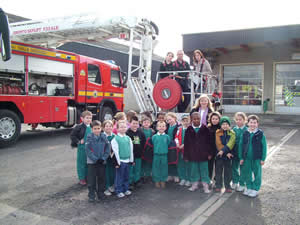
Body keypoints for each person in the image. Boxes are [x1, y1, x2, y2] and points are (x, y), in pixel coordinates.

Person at [239, 115, 267, 198]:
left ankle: (255, 189)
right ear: (248, 123)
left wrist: (263, 158)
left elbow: (264, 147)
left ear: (257, 124)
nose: (253, 124)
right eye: (251, 122)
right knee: (247, 173)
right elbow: (241, 145)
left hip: (257, 158)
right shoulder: (245, 133)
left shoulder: (260, 134)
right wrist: (241, 157)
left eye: (255, 123)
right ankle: (249, 187)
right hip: (246, 158)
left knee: (257, 173)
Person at [184, 112, 212, 193]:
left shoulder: (205, 129)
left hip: (203, 154)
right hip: (192, 154)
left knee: (204, 170)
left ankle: (205, 186)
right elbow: (186, 143)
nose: (196, 120)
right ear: (191, 120)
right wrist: (186, 155)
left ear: (200, 119)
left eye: (198, 119)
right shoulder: (189, 129)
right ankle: (194, 184)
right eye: (194, 119)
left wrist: (209, 153)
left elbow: (209, 142)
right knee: (194, 170)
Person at [85, 120, 110, 202]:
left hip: (102, 161)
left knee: (101, 178)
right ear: (92, 129)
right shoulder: (89, 137)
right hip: (92, 162)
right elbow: (88, 150)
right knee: (91, 179)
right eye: (95, 128)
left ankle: (100, 193)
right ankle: (91, 194)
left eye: (98, 128)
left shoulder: (104, 137)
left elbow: (107, 148)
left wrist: (103, 158)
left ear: (101, 128)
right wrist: (95, 159)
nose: (97, 130)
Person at [111, 121, 134, 198]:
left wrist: (131, 160)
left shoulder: (128, 138)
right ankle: (119, 190)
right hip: (120, 161)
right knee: (119, 177)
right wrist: (117, 163)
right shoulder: (115, 139)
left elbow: (131, 150)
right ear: (117, 129)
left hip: (127, 161)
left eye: (124, 127)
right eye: (121, 127)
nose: (123, 128)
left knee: (126, 176)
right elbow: (115, 152)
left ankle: (125, 189)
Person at [70, 110, 93, 185]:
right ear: (82, 119)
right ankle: (82, 178)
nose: (89, 119)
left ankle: (87, 177)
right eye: (87, 118)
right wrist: (78, 141)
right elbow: (72, 135)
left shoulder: (93, 126)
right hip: (82, 148)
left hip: (91, 148)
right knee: (81, 163)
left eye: (90, 118)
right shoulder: (79, 127)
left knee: (89, 163)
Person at [215, 116, 236, 193]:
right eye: (223, 124)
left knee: (228, 172)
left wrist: (227, 152)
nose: (225, 126)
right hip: (219, 155)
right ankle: (218, 185)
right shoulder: (217, 132)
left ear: (229, 125)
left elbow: (231, 143)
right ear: (221, 125)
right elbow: (218, 144)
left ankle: (227, 186)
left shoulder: (232, 133)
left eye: (226, 124)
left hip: (228, 156)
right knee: (218, 171)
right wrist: (223, 151)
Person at [126, 116, 146, 189]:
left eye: (136, 124)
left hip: (138, 154)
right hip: (130, 155)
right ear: (130, 123)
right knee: (131, 169)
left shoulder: (140, 132)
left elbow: (143, 141)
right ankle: (130, 182)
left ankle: (137, 180)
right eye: (133, 123)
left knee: (137, 168)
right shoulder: (127, 133)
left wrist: (142, 151)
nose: (135, 125)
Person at [152, 121, 171, 188]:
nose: (161, 127)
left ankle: (163, 180)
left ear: (165, 127)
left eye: (163, 126)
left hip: (164, 155)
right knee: (156, 168)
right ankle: (157, 180)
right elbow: (153, 144)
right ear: (157, 127)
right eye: (160, 126)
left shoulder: (167, 137)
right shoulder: (154, 137)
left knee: (164, 168)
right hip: (156, 155)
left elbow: (168, 144)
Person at [232, 112, 248, 192]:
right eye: (237, 120)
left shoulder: (246, 130)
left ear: (244, 120)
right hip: (235, 151)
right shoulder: (234, 129)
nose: (238, 121)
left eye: (240, 120)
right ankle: (235, 181)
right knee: (234, 167)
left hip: (243, 152)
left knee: (243, 168)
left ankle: (242, 183)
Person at [175, 114, 191, 186]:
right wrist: (178, 144)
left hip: (187, 151)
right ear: (181, 122)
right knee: (181, 165)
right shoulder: (179, 129)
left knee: (187, 165)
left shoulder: (191, 129)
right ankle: (183, 178)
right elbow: (176, 137)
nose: (185, 122)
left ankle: (188, 179)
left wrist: (184, 145)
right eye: (184, 121)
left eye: (187, 120)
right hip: (180, 150)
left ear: (189, 121)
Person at [102, 120, 116, 196]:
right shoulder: (102, 136)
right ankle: (105, 187)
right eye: (106, 126)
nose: (108, 127)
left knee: (112, 172)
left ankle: (111, 185)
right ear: (103, 128)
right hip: (105, 158)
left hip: (112, 157)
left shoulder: (114, 136)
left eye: (110, 126)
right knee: (105, 173)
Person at [207, 112, 221, 182]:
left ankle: (217, 180)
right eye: (213, 119)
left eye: (216, 119)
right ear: (210, 119)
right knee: (210, 166)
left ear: (219, 119)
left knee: (218, 166)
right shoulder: (208, 128)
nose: (214, 120)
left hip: (219, 150)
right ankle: (209, 179)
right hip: (210, 150)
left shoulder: (221, 128)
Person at [166, 112, 180, 182]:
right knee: (169, 160)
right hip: (168, 146)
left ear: (174, 118)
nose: (169, 121)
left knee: (175, 161)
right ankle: (170, 175)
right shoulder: (167, 126)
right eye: (167, 120)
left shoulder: (178, 127)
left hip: (175, 146)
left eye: (170, 119)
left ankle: (176, 175)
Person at [141, 116, 155, 183]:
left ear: (150, 123)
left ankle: (148, 175)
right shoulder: (140, 130)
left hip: (149, 149)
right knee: (142, 163)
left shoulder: (152, 131)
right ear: (142, 123)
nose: (146, 124)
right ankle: (142, 175)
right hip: (142, 149)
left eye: (148, 122)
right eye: (144, 122)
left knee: (148, 162)